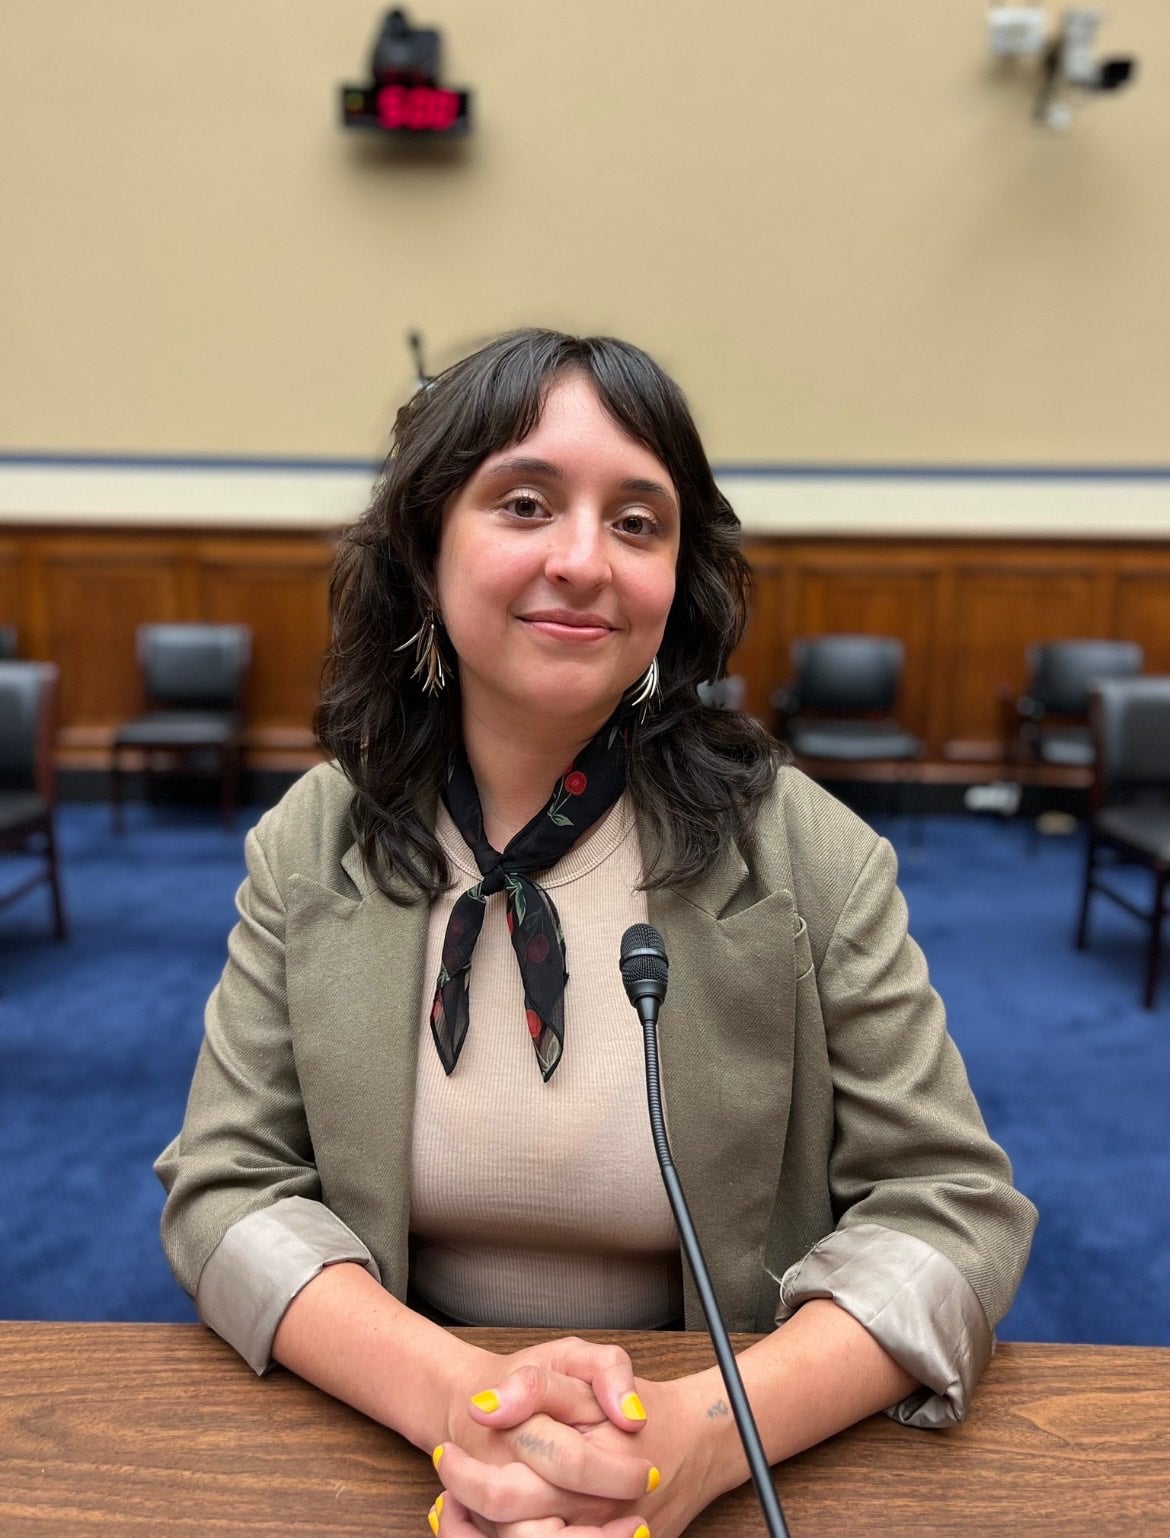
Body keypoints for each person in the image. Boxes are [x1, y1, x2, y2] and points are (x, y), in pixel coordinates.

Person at [156, 328, 1037, 1538]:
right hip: (397, 1448)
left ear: (679, 579)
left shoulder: (805, 851)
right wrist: (465, 1405)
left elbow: (949, 1207)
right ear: (423, 548)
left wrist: (702, 1435)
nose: (585, 559)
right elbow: (226, 1186)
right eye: (524, 502)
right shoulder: (314, 839)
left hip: (722, 1435)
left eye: (638, 521)